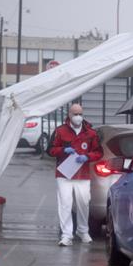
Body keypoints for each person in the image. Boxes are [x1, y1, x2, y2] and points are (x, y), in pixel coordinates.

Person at [48, 103, 102, 246]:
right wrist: (63, 150)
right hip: (64, 173)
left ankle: (83, 231)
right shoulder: (60, 131)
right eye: (75, 114)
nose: (78, 117)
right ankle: (67, 234)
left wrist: (88, 156)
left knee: (83, 203)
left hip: (82, 174)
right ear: (69, 115)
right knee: (65, 204)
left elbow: (98, 152)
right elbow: (50, 149)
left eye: (80, 113)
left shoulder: (91, 133)